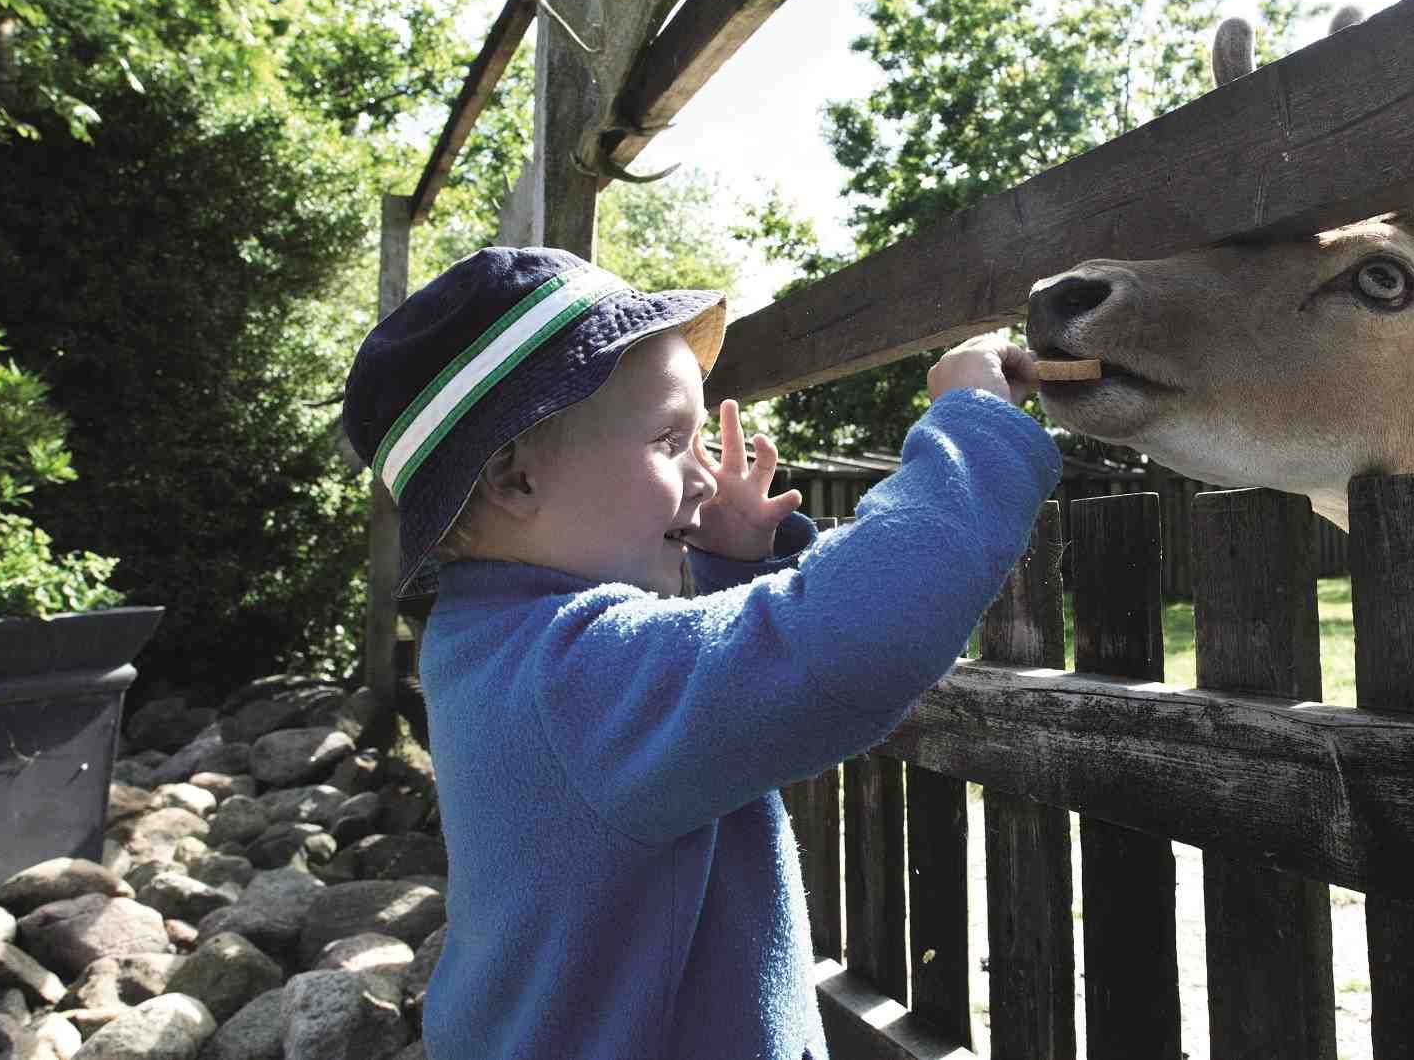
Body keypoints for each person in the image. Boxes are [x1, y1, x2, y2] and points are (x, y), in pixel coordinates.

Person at [341, 247, 1061, 1060]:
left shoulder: (488, 646)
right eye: (668, 440)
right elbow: (851, 643)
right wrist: (971, 427)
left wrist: (735, 567)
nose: (706, 479)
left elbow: (706, 703)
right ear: (515, 481)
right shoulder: (570, 676)